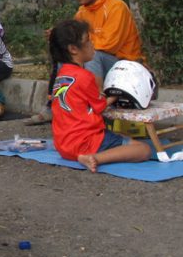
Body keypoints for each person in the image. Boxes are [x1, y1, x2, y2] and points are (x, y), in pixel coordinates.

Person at [26, 0, 145, 125]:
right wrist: (59, 35)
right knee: (65, 54)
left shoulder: (116, 7)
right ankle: (55, 106)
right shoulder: (82, 11)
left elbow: (109, 45)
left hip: (125, 66)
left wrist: (80, 41)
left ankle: (96, 108)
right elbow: (75, 40)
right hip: (100, 60)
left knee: (93, 56)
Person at [49, 20, 150, 172]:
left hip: (64, 145)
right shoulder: (85, 76)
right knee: (144, 150)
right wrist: (117, 94)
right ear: (73, 49)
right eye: (88, 40)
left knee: (120, 136)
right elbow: (100, 106)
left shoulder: (61, 75)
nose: (92, 44)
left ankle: (89, 154)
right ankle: (94, 158)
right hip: (85, 143)